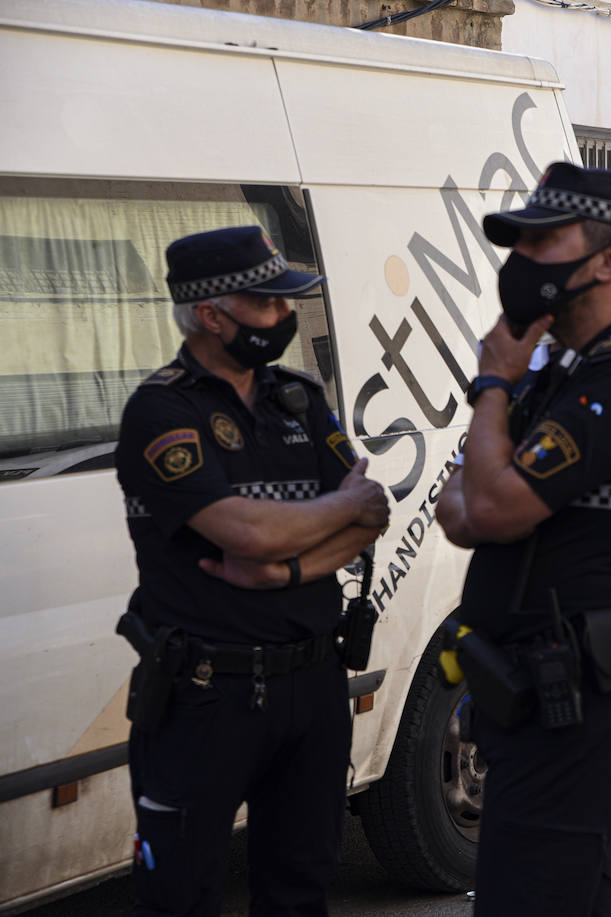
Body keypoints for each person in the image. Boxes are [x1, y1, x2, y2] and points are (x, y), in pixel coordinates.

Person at [435, 162, 611, 915]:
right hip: (545, 698)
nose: (522, 262)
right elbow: (461, 508)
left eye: (543, 241)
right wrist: (486, 468)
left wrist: (492, 384)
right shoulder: (571, 375)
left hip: (580, 701)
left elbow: (487, 508)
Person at [115, 226, 390, 916]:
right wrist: (325, 515)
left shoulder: (295, 395)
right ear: (212, 314)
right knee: (181, 894)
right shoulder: (163, 409)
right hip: (206, 695)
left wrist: (286, 567)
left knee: (300, 888)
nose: (285, 317)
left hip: (312, 685)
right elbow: (242, 530)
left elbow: (369, 514)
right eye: (269, 303)